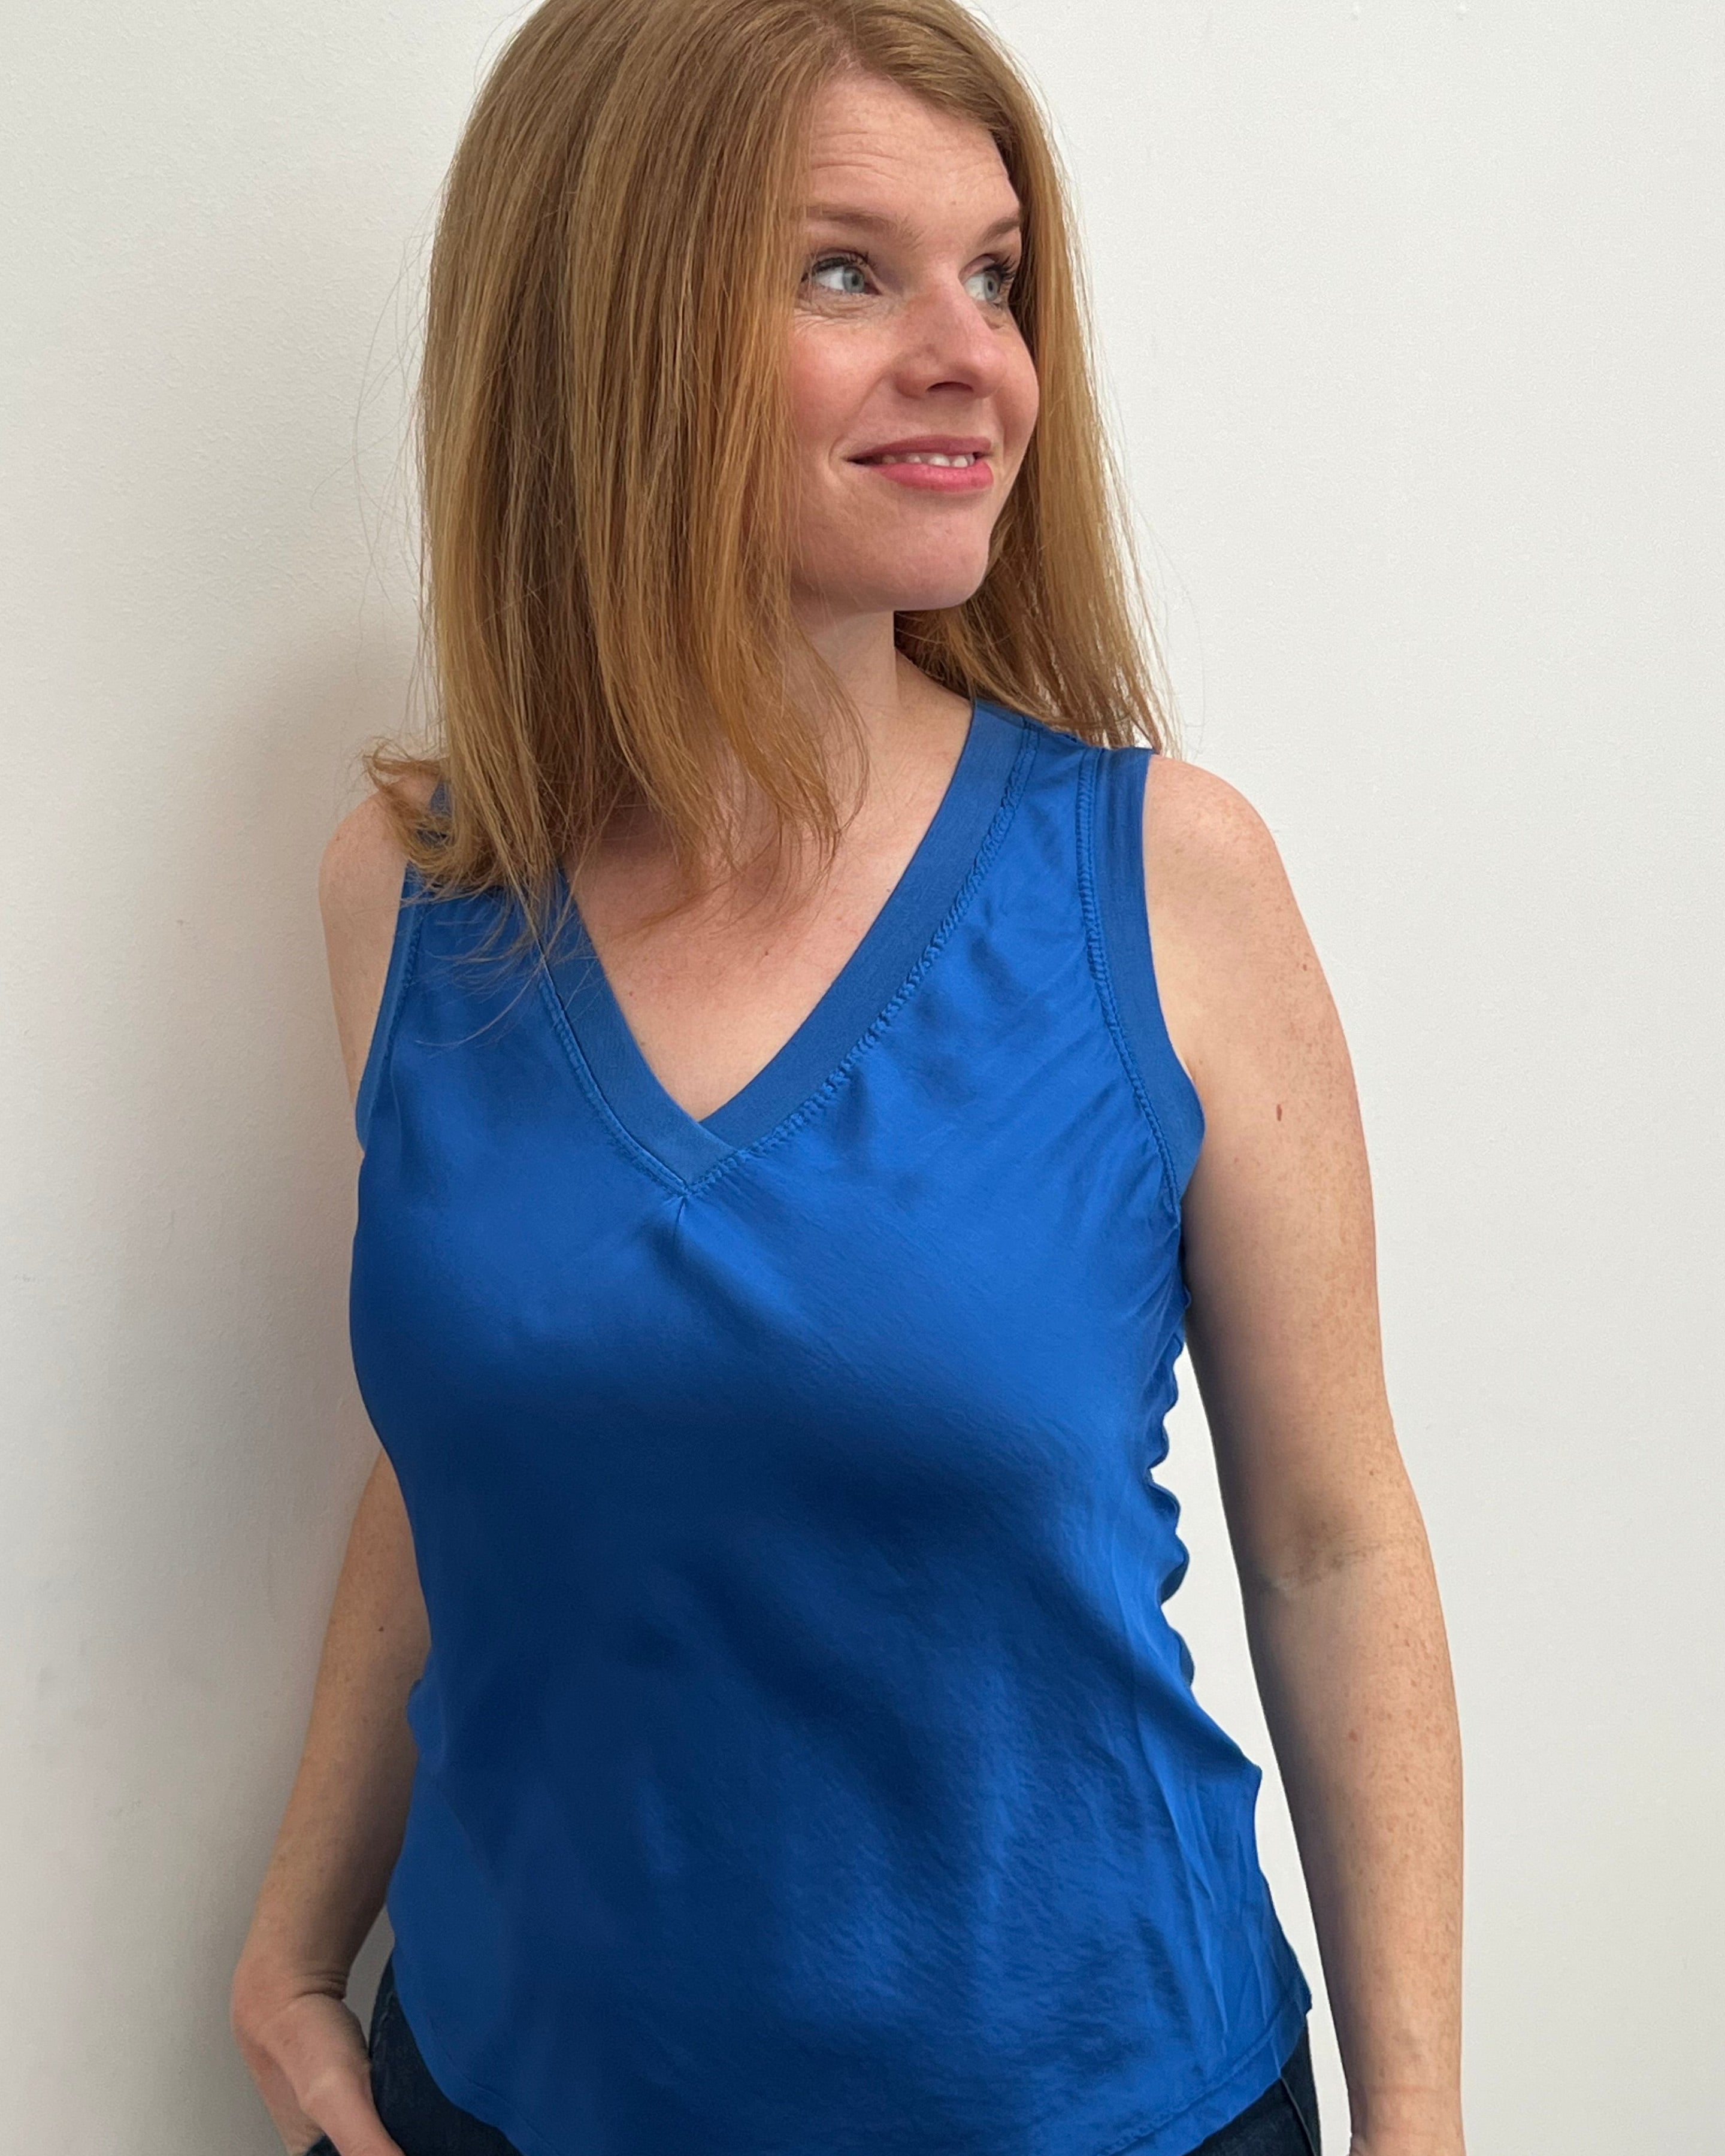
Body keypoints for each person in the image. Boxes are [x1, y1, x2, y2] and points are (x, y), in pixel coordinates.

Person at [230, 2, 1466, 2152]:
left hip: (1097, 2114)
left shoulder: (1166, 885)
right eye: (846, 270)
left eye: (996, 273)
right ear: (611, 329)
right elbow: (471, 1453)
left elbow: (1339, 1543)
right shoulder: (413, 902)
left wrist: (1425, 2119)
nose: (973, 353)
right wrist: (289, 1941)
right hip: (505, 2099)